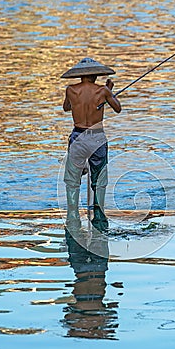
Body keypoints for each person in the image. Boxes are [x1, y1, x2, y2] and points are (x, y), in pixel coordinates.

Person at [61, 57, 121, 233]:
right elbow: (118, 108)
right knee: (99, 178)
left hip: (78, 136)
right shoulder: (102, 91)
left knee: (72, 178)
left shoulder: (70, 90)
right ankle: (99, 216)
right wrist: (109, 93)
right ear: (96, 74)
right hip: (97, 137)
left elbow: (66, 108)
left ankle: (72, 216)